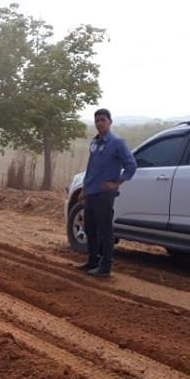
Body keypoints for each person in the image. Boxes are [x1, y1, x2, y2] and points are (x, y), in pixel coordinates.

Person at [78, 108, 137, 278]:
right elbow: (91, 166)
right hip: (91, 191)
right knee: (89, 228)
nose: (99, 123)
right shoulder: (95, 142)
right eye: (97, 120)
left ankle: (106, 266)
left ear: (110, 122)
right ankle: (92, 261)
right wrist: (84, 187)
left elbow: (131, 165)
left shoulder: (117, 142)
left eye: (103, 120)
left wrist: (116, 183)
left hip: (104, 194)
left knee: (105, 230)